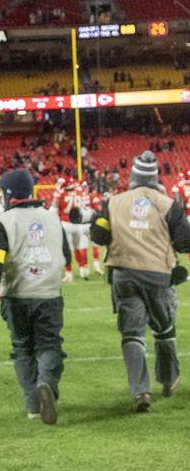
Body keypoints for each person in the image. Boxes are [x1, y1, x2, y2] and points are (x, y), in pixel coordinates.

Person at [90, 151, 190, 412]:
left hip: (124, 274)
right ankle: (168, 380)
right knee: (164, 328)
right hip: (158, 275)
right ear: (155, 176)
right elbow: (185, 242)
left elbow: (98, 235)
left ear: (133, 176)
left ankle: (140, 392)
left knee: (132, 333)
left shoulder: (113, 202)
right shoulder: (169, 204)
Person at [0, 169, 70, 424]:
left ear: (9, 194)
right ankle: (46, 383)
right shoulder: (53, 218)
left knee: (22, 349)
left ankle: (33, 405)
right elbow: (66, 255)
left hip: (17, 295)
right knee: (50, 345)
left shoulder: (4, 221)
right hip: (49, 294)